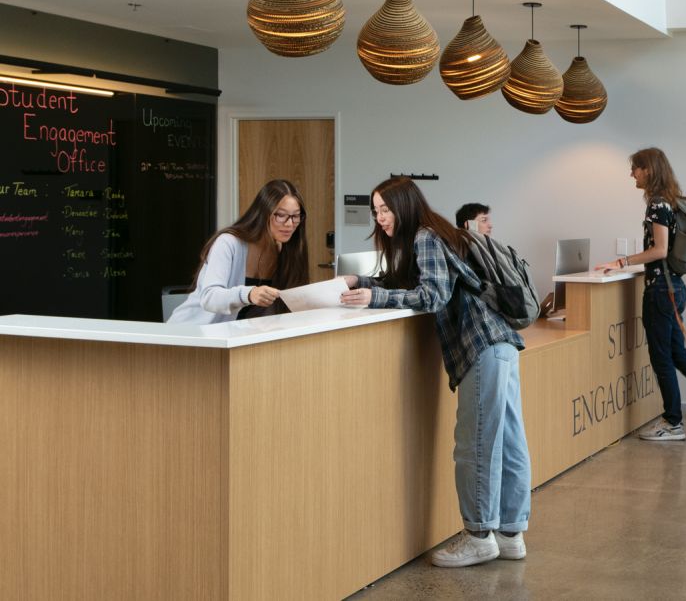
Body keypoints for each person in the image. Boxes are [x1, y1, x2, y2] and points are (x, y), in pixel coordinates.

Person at [340, 176, 530, 568]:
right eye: (376, 211)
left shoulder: (426, 237)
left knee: (474, 445)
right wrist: (364, 282)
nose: (381, 218)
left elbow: (432, 296)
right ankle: (511, 534)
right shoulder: (439, 232)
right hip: (502, 343)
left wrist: (374, 297)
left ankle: (479, 536)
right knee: (509, 442)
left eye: (386, 209)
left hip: (479, 346)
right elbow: (419, 284)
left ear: (405, 206)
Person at [596, 148, 686, 444]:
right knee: (679, 356)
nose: (632, 173)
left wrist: (620, 262)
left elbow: (659, 250)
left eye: (636, 168)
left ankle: (673, 422)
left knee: (663, 359)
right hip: (672, 288)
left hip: (661, 291)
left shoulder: (658, 204)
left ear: (649, 170)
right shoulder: (669, 201)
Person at [168, 179, 310, 323]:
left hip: (235, 337)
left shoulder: (287, 252)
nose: (289, 224)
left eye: (295, 216)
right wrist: (248, 294)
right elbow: (209, 297)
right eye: (280, 215)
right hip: (190, 334)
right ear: (263, 213)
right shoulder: (228, 243)